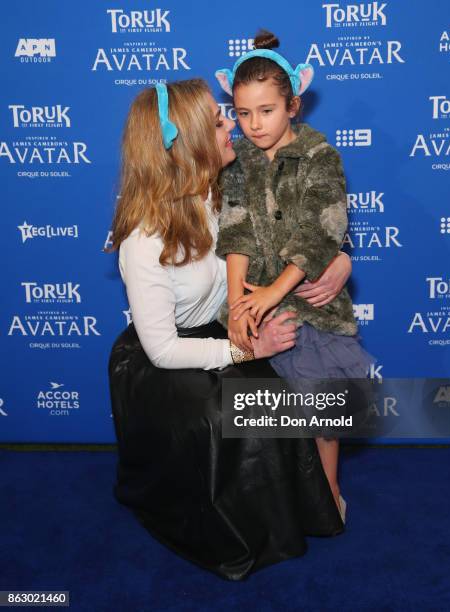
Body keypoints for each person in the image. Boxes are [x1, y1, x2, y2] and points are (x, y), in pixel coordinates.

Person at [108, 78, 352, 580]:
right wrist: (244, 351)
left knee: (304, 378)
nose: (232, 128)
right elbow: (164, 350)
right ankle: (241, 535)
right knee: (234, 417)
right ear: (193, 141)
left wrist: (342, 260)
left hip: (229, 330)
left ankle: (313, 504)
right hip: (166, 359)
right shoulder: (144, 239)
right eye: (220, 121)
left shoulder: (230, 186)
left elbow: (310, 223)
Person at [215, 30, 374, 521]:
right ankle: (284, 497)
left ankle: (329, 493)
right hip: (257, 300)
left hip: (310, 301)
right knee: (272, 414)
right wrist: (241, 303)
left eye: (266, 110)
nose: (254, 124)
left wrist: (273, 294)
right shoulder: (236, 163)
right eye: (243, 114)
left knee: (323, 408)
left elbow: (318, 233)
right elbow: (235, 231)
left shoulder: (321, 156)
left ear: (293, 106)